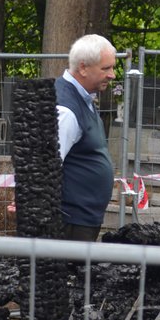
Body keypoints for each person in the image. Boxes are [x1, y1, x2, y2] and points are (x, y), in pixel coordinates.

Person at [56, 34, 117, 241]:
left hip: (81, 219)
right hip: (70, 222)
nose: (113, 75)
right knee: (70, 273)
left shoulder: (82, 98)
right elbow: (47, 165)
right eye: (106, 68)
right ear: (83, 68)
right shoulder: (66, 109)